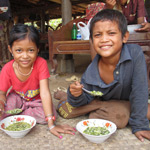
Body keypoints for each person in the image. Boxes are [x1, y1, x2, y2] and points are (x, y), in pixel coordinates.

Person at [55, 9, 150, 142]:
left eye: (111, 33)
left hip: (128, 98)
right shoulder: (90, 73)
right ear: (92, 40)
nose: (104, 39)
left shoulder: (135, 54)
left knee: (140, 108)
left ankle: (64, 94)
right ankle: (66, 95)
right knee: (119, 117)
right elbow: (83, 100)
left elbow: (140, 90)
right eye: (98, 35)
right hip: (107, 102)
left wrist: (140, 126)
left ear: (125, 37)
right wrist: (75, 95)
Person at [0, 24, 75, 139]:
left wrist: (51, 125)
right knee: (4, 111)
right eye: (19, 50)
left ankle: (20, 113)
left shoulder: (41, 64)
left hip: (37, 100)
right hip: (18, 98)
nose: (25, 56)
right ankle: (24, 112)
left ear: (37, 49)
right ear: (11, 49)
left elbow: (45, 93)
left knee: (51, 115)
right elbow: (2, 93)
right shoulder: (7, 69)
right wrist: (1, 103)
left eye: (30, 50)